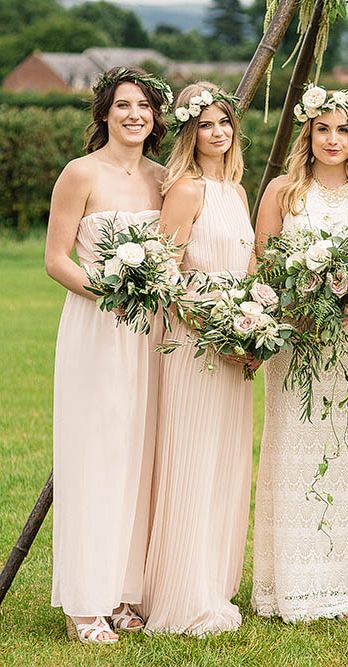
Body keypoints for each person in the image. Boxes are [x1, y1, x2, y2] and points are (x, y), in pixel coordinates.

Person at [251, 85, 348, 622]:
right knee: (294, 439)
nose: (333, 139)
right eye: (323, 129)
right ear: (308, 135)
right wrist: (297, 306)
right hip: (294, 337)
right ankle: (296, 578)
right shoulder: (281, 192)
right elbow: (262, 266)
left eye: (343, 130)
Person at [44, 66, 170, 644]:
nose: (133, 115)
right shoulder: (80, 173)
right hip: (98, 328)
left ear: (156, 117)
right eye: (122, 105)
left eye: (143, 106)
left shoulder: (163, 179)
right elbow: (57, 258)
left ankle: (123, 591)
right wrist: (109, 290)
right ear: (103, 114)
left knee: (140, 457)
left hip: (151, 334)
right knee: (96, 454)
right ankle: (84, 601)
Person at [141, 82, 256, 636]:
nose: (219, 132)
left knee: (224, 465)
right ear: (190, 131)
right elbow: (165, 276)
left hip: (237, 349)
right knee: (190, 460)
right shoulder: (186, 190)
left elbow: (248, 272)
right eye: (207, 124)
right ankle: (183, 596)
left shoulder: (234, 191)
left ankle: (213, 582)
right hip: (194, 347)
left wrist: (254, 328)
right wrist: (218, 326)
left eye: (225, 123)